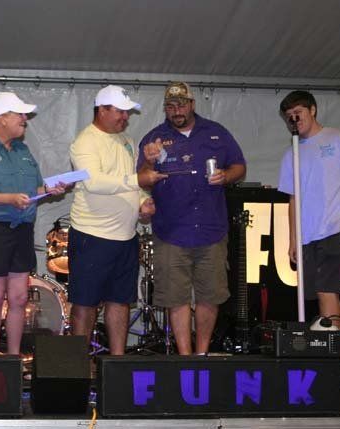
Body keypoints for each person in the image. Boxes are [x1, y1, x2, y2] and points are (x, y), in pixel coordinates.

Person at [137, 82, 246, 355]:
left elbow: (239, 166)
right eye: (171, 106)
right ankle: (185, 357)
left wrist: (227, 176)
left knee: (210, 296)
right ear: (165, 108)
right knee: (176, 298)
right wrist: (150, 162)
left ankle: (202, 353)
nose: (177, 111)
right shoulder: (154, 138)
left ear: (192, 104)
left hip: (211, 229)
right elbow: (140, 178)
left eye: (182, 104)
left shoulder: (216, 133)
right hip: (171, 231)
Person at [0, 92, 66, 355]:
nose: (25, 119)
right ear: (2, 118)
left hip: (21, 230)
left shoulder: (23, 150)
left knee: (18, 297)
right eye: (19, 114)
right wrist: (8, 199)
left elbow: (34, 188)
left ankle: (15, 358)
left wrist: (49, 189)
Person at [277, 90, 340, 377]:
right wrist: (293, 238)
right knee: (327, 295)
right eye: (289, 116)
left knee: (326, 292)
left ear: (313, 110)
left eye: (299, 113)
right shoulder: (292, 152)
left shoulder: (339, 140)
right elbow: (293, 198)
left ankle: (337, 358)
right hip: (308, 234)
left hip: (337, 227)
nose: (295, 119)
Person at [68, 85, 165, 355]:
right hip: (92, 235)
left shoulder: (127, 140)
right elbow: (95, 182)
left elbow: (129, 184)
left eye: (127, 112)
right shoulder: (85, 141)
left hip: (125, 236)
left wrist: (142, 200)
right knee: (86, 304)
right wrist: (138, 180)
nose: (126, 117)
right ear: (102, 110)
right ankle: (78, 366)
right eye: (120, 112)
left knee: (120, 301)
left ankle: (117, 363)